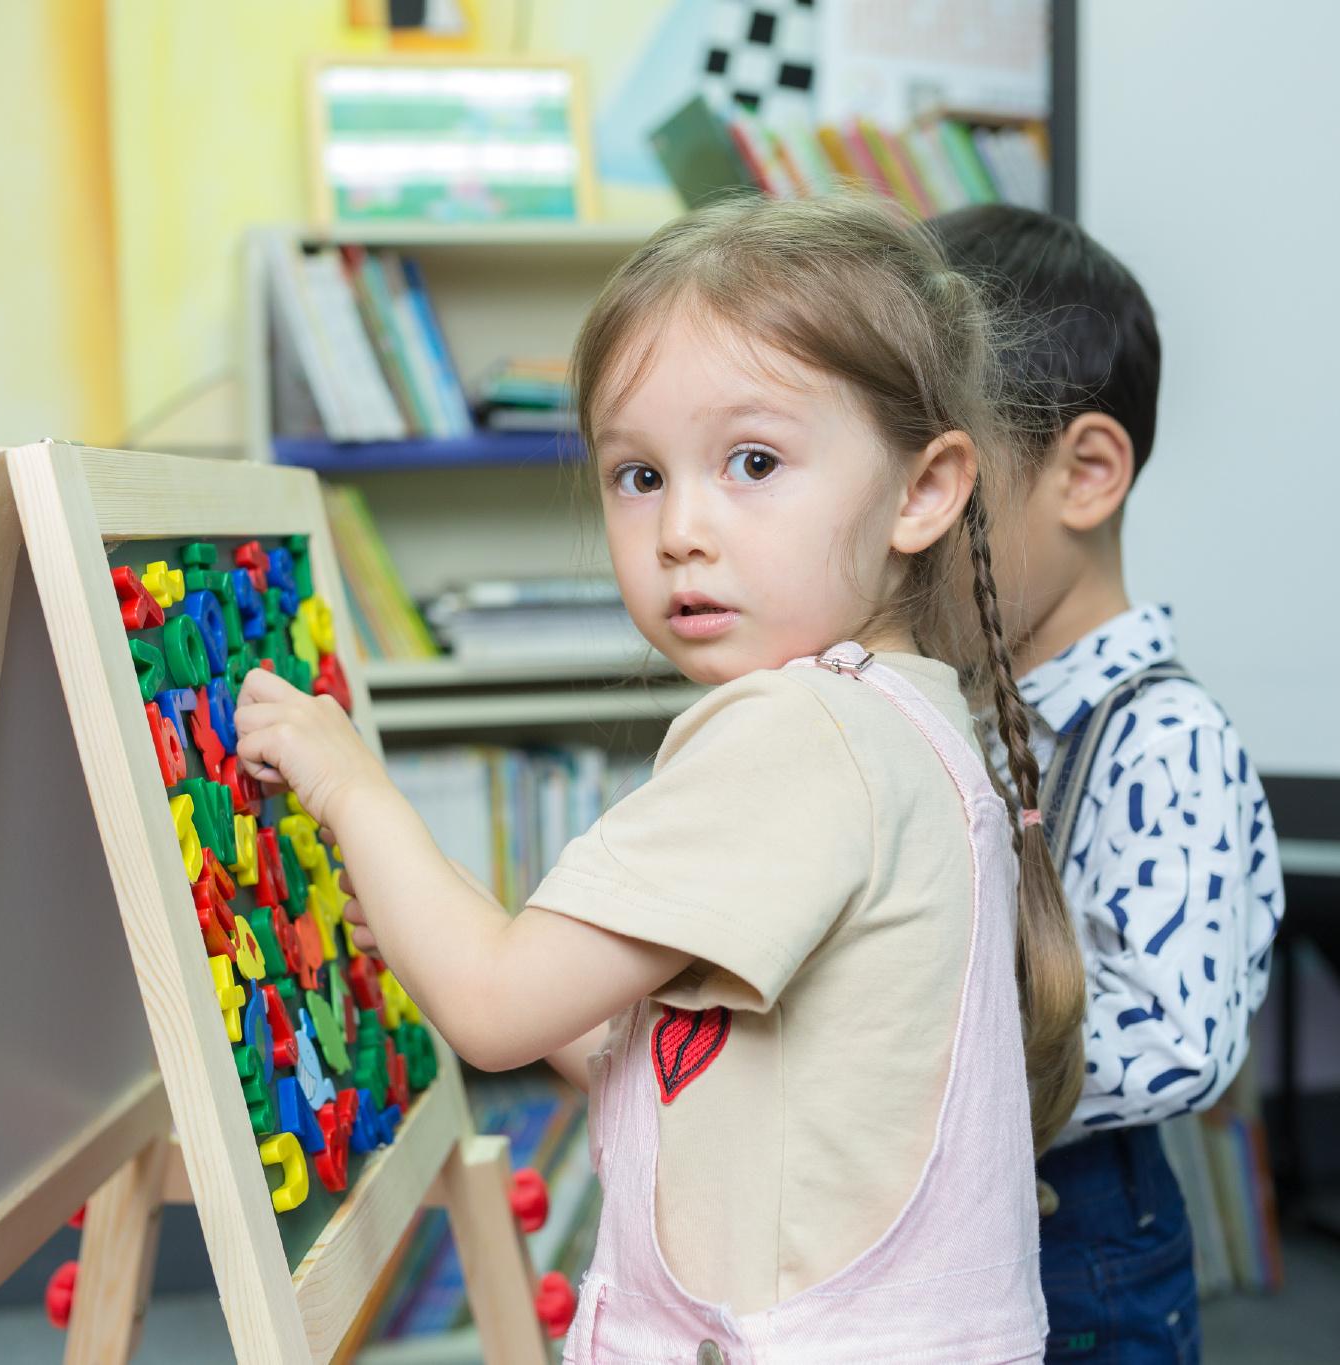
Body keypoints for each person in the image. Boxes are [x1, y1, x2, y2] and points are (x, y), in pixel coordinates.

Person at [238, 195, 1081, 1362]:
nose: (680, 527)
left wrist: (348, 785)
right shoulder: (906, 717)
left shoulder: (792, 735)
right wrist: (440, 935)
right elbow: (693, 1068)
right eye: (636, 475)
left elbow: (491, 1009)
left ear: (922, 491)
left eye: (751, 462)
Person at [929, 203, 1285, 1363]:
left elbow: (1180, 1038)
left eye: (936, 487)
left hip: (1074, 1248)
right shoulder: (955, 703)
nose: (890, 532)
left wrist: (906, 1035)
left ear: (1083, 472)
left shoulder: (1165, 739)